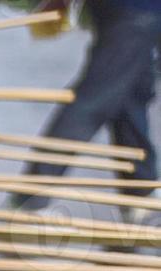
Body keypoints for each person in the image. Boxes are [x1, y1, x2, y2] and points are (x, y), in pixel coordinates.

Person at [16, 0, 161, 218]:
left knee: (130, 95)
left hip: (129, 9)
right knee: (94, 99)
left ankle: (140, 194)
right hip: (138, 9)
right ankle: (29, 202)